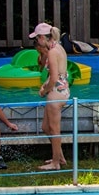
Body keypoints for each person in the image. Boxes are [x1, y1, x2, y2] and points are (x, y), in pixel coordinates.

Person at [30, 22, 69, 170]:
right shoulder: (58, 48)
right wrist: (45, 86)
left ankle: (55, 163)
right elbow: (59, 74)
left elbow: (53, 78)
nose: (37, 41)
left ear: (42, 37)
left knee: (54, 129)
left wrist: (45, 90)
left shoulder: (53, 52)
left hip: (56, 93)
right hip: (61, 89)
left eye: (37, 38)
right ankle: (59, 157)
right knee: (46, 127)